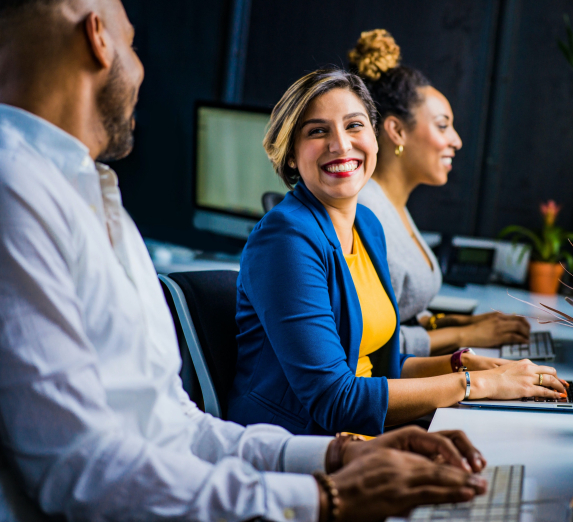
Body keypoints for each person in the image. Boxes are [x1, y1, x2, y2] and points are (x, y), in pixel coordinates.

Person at [0, 1, 493, 521]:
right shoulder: (17, 191)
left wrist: (340, 456)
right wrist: (327, 496)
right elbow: (80, 471)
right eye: (133, 43)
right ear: (99, 39)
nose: (141, 68)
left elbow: (175, 428)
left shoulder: (90, 192)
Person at [228, 67, 567, 438]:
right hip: (298, 447)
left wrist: (462, 364)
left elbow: (379, 368)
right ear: (291, 155)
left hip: (364, 436)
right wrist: (478, 384)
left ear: (375, 138)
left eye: (354, 125)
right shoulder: (285, 239)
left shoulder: (368, 225)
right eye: (317, 131)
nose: (341, 144)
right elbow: (334, 399)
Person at [349, 29, 531, 357]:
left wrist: (460, 324)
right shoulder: (365, 211)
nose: (456, 141)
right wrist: (466, 335)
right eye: (443, 125)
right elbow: (368, 344)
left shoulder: (393, 206)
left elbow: (400, 314)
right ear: (397, 130)